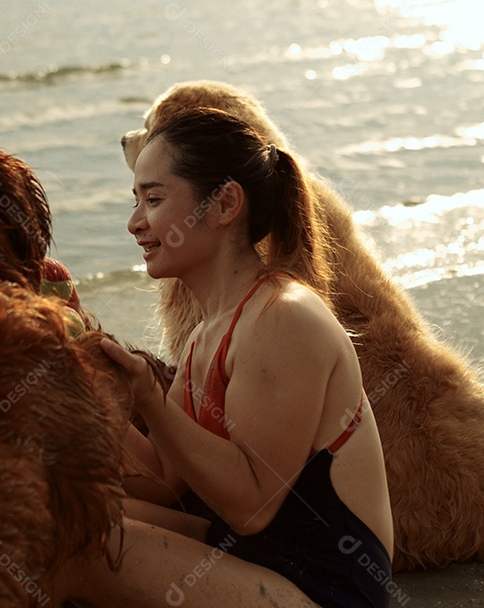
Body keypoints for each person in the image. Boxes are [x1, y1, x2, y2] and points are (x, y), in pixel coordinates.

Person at [49, 108, 394, 607]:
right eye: (136, 200)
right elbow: (164, 482)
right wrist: (79, 370)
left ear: (225, 203)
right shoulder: (207, 334)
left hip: (324, 590)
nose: (134, 223)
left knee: (72, 546)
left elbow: (251, 504)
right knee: (52, 511)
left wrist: (148, 395)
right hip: (257, 560)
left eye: (154, 198)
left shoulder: (282, 317)